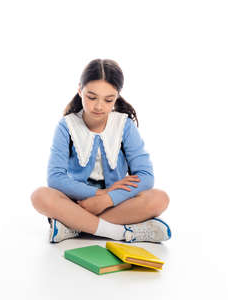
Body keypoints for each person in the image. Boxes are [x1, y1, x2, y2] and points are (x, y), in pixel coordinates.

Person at [31, 58, 171, 243]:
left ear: (117, 96)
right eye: (91, 97)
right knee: (40, 196)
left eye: (108, 100)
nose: (99, 106)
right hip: (80, 202)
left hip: (116, 203)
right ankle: (121, 232)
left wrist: (108, 199)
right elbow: (55, 177)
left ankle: (74, 227)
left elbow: (145, 176)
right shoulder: (67, 125)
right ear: (80, 89)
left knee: (159, 198)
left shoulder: (124, 125)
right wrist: (99, 195)